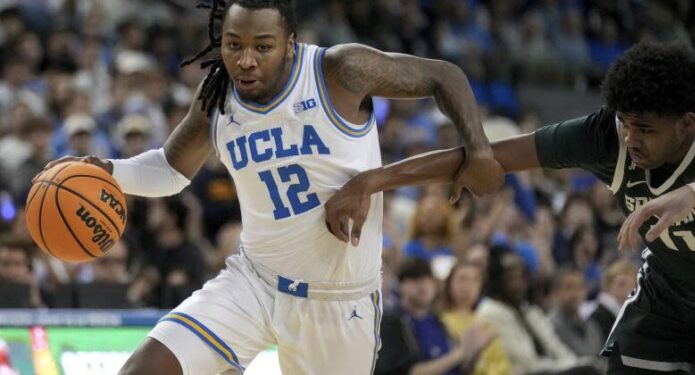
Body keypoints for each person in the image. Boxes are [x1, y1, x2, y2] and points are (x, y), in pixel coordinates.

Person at [39, 1, 502, 373]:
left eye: (263, 46)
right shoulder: (217, 97)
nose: (245, 59)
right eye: (233, 44)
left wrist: (478, 147)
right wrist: (110, 171)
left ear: (291, 44)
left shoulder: (338, 71)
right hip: (254, 283)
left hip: (338, 301)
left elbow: (446, 76)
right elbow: (170, 169)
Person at [324, 41, 695, 374]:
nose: (630, 139)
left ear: (686, 124)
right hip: (669, 291)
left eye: (645, 129)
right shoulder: (606, 135)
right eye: (625, 123)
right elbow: (485, 156)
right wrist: (371, 181)